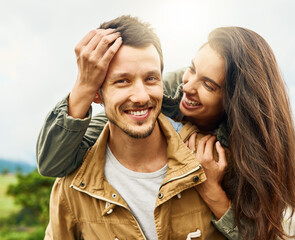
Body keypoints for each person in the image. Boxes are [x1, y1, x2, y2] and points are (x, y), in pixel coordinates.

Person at [37, 22, 295, 240]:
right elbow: (55, 159)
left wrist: (212, 190)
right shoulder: (167, 92)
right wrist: (85, 85)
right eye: (191, 69)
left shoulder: (236, 158)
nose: (188, 88)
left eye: (209, 86)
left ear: (234, 103)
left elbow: (260, 233)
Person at [42, 15, 229, 240]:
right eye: (122, 81)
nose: (141, 97)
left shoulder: (213, 163)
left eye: (151, 79)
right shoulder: (72, 187)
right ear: (97, 94)